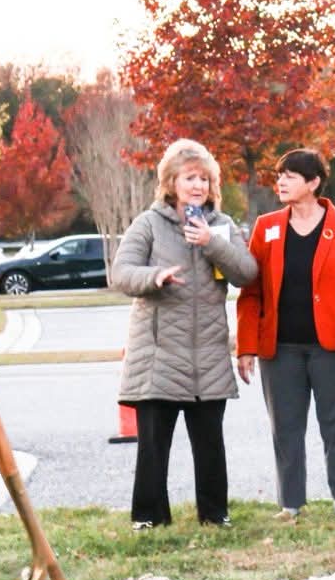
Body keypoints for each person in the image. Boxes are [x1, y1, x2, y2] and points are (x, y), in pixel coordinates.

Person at [110, 138, 258, 530]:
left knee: (210, 443)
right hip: (158, 355)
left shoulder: (222, 227)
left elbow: (247, 273)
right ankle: (148, 517)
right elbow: (121, 273)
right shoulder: (148, 225)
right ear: (171, 182)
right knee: (153, 446)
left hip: (207, 355)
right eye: (190, 178)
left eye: (205, 180)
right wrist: (154, 277)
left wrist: (212, 245)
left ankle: (215, 514)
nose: (198, 186)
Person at [236, 148, 335, 519]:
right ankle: (291, 504)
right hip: (279, 349)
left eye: (290, 176)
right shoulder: (266, 227)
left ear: (313, 183)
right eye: (279, 175)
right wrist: (246, 346)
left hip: (332, 347)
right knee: (285, 428)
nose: (280, 181)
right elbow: (252, 292)